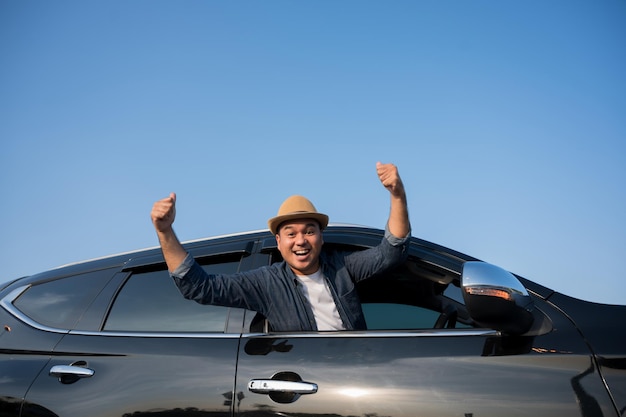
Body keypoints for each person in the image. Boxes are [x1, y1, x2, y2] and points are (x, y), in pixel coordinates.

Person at [150, 162, 411, 332]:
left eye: (309, 231)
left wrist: (397, 194)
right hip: (308, 382)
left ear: (321, 237)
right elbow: (200, 287)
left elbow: (391, 253)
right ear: (279, 241)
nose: (300, 241)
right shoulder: (267, 283)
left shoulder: (343, 267)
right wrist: (165, 231)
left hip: (355, 375)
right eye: (291, 233)